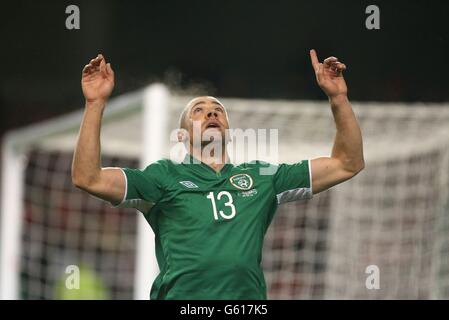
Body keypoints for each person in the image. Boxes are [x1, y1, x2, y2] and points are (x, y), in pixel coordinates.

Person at [72, 50, 364, 299]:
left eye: (218, 111)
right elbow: (88, 178)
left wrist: (338, 98)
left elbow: (347, 163)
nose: (211, 114)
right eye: (199, 110)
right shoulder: (162, 176)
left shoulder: (263, 176)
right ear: (182, 136)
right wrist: (95, 104)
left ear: (230, 132)